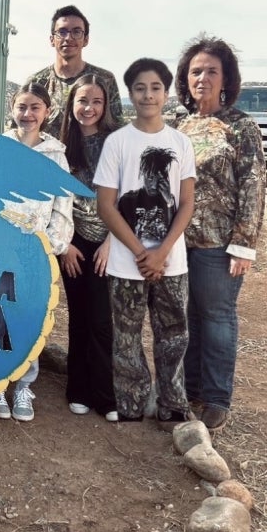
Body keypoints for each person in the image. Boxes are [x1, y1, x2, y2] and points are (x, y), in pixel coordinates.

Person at [94, 59, 196, 428]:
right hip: (126, 263)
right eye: (140, 87)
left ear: (166, 94)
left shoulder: (181, 143)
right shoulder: (117, 142)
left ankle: (172, 403)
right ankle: (132, 401)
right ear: (130, 94)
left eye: (155, 87)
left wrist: (162, 251)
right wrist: (141, 252)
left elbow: (186, 203)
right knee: (127, 335)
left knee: (173, 333)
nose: (148, 94)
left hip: (172, 263)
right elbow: (106, 204)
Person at [175, 34, 266, 431]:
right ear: (186, 78)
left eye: (212, 71)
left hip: (217, 242)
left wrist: (244, 245)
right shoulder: (179, 125)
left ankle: (215, 398)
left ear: (227, 79)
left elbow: (253, 186)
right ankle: (190, 390)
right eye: (196, 71)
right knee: (187, 316)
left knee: (216, 317)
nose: (203, 78)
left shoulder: (240, 127)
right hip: (178, 242)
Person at [0, 83, 73, 422]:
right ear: (12, 108)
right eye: (22, 107)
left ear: (47, 112)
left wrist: (51, 245)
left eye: (35, 108)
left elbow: (63, 207)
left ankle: (24, 384)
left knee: (30, 316)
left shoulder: (56, 155)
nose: (27, 114)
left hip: (35, 254)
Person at [59, 75, 119, 421]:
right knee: (79, 314)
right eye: (82, 101)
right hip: (72, 240)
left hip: (109, 239)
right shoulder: (62, 145)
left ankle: (105, 394)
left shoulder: (116, 142)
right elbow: (54, 197)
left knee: (101, 318)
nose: (89, 108)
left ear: (105, 105)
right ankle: (78, 388)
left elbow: (127, 195)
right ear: (72, 105)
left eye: (96, 101)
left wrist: (112, 242)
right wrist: (65, 244)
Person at [27, 5, 123, 137]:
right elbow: (24, 130)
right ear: (52, 40)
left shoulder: (105, 79)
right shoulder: (37, 82)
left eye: (76, 32)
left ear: (86, 40)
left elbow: (117, 130)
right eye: (62, 32)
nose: (68, 38)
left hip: (93, 157)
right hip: (47, 156)